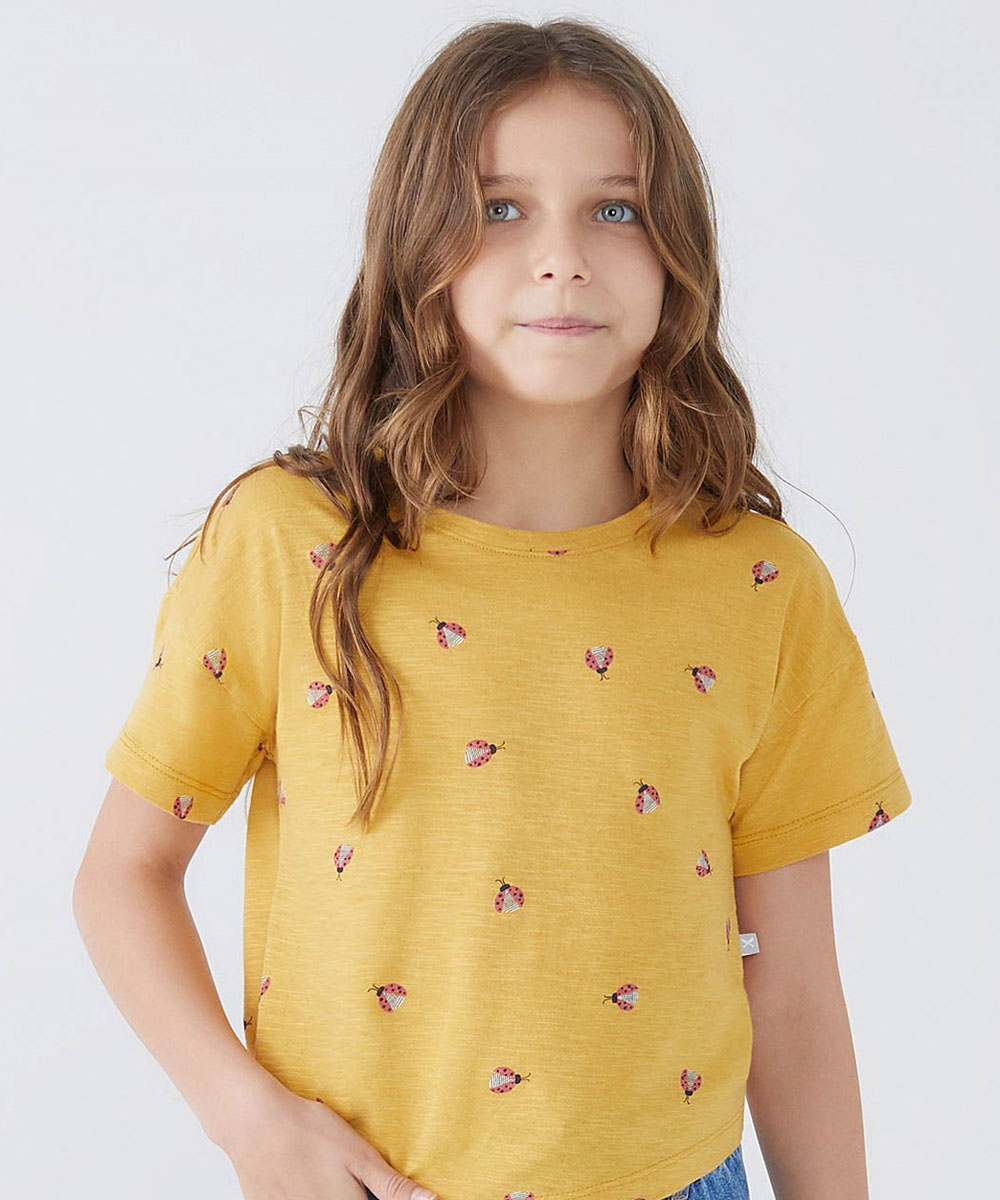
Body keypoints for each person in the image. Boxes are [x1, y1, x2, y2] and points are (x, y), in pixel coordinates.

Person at [73, 17, 912, 1200]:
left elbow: (793, 981)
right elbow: (124, 873)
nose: (561, 259)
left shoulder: (761, 585)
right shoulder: (289, 542)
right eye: (501, 207)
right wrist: (251, 1123)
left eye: (615, 209)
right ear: (417, 241)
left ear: (679, 252)